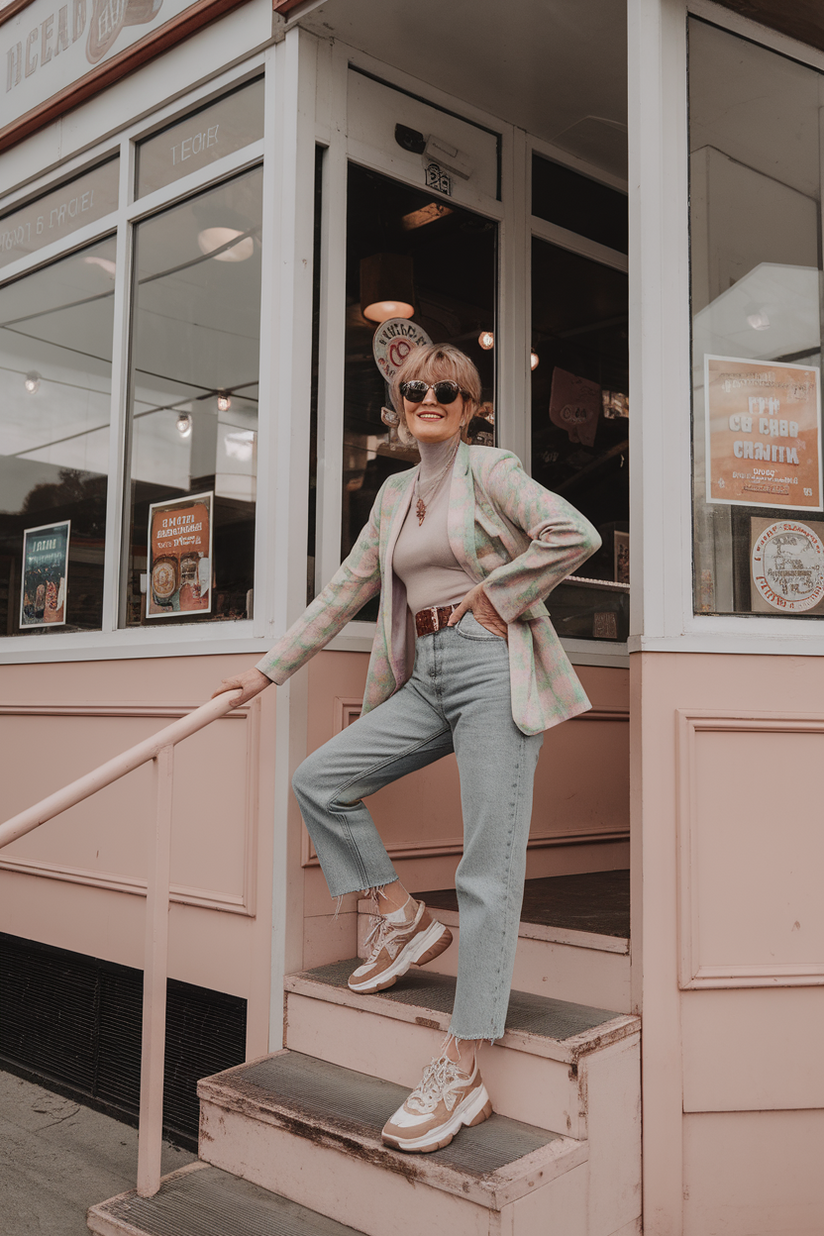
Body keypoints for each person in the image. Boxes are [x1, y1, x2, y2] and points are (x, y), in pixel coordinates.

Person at [213, 343, 600, 1154]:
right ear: (398, 404)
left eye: (448, 389)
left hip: (492, 664)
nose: (431, 396)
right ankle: (402, 916)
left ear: (469, 406)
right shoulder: (392, 492)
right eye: (415, 387)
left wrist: (499, 596)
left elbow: (574, 533)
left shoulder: (491, 469)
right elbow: (344, 591)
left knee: (487, 871)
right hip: (425, 673)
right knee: (321, 779)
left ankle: (461, 1067)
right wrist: (262, 675)